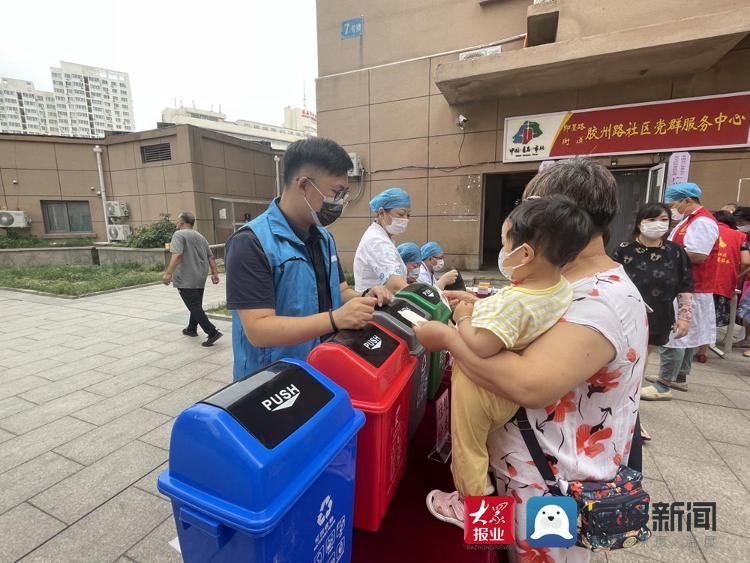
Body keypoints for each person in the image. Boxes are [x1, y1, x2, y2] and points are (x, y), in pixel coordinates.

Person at [414, 158, 648, 563]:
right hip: (519, 466)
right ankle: (477, 522)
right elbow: (529, 323)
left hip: (549, 489)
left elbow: (527, 383)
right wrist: (482, 310)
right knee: (490, 550)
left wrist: (452, 337)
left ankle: (477, 516)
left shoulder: (601, 301)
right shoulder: (566, 281)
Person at [425, 195, 592, 524]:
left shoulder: (515, 300)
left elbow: (482, 345)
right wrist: (479, 305)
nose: (502, 251)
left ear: (526, 253)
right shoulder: (558, 287)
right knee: (481, 447)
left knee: (468, 449)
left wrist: (459, 321)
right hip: (506, 392)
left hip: (481, 388)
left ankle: (473, 511)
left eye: (505, 243)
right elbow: (519, 318)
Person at [225, 137, 391, 381]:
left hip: (321, 365)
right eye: (336, 193)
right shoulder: (251, 243)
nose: (340, 202)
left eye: (344, 194)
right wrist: (335, 319)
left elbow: (340, 290)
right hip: (271, 380)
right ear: (303, 185)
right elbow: (258, 329)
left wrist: (365, 298)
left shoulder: (323, 238)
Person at [611, 203, 694, 440]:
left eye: (664, 219)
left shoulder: (676, 252)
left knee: (639, 367)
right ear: (640, 222)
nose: (659, 224)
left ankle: (632, 420)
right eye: (653, 219)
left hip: (658, 316)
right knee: (622, 366)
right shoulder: (624, 250)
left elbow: (686, 285)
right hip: (624, 317)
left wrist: (685, 317)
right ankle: (623, 416)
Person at [641, 182, 719, 400]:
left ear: (688, 200)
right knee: (687, 336)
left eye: (675, 203)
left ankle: (663, 386)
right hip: (687, 284)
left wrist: (666, 253)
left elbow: (698, 254)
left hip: (690, 286)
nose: (673, 208)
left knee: (674, 335)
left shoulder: (702, 222)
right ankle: (679, 377)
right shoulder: (689, 220)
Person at [692, 211, 749, 361]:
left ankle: (685, 349)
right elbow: (746, 261)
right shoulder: (740, 236)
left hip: (701, 280)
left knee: (692, 314)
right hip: (724, 282)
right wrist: (737, 277)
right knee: (709, 318)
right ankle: (703, 351)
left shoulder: (706, 228)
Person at [162, 211, 223, 347]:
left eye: (178, 221)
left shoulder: (178, 235)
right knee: (196, 305)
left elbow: (177, 255)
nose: (176, 224)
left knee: (194, 306)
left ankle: (212, 332)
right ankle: (191, 328)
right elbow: (210, 257)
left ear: (182, 223)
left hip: (186, 277)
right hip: (200, 276)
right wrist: (215, 273)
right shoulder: (200, 236)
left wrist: (168, 273)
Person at [353, 188, 412, 293]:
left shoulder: (381, 237)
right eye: (401, 214)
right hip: (374, 305)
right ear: (381, 213)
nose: (405, 220)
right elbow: (395, 285)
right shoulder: (377, 242)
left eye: (408, 215)